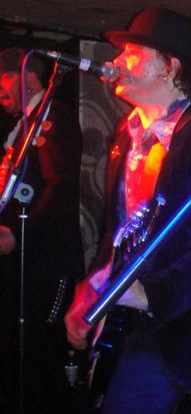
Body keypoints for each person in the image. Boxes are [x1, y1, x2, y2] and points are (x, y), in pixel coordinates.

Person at [64, 7, 191, 413]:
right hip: (145, 335)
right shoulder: (126, 135)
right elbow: (122, 232)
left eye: (131, 54)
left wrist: (151, 295)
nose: (115, 64)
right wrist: (93, 290)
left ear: (168, 67)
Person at [0, 47, 85, 413]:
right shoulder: (23, 126)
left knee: (43, 347)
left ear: (29, 79)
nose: (1, 99)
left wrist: (17, 233)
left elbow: (59, 186)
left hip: (48, 264)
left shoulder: (55, 118)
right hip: (25, 262)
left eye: (4, 89)